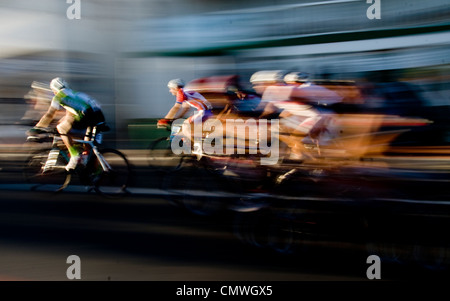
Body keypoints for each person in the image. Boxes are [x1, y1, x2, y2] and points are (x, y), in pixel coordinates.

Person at [27, 77, 106, 171]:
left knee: (61, 128)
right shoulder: (72, 94)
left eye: (53, 91)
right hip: (97, 115)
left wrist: (36, 128)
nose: (54, 93)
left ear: (55, 89)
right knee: (86, 146)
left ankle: (74, 156)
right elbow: (70, 115)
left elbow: (49, 115)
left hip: (89, 114)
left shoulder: (59, 96)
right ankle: (92, 169)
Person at [157, 78, 213, 154]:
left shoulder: (181, 92)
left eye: (170, 89)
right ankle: (194, 149)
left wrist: (166, 119)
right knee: (187, 128)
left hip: (204, 112)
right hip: (207, 112)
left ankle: (197, 147)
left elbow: (176, 107)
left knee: (186, 125)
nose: (170, 91)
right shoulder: (186, 92)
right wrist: (175, 119)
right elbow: (185, 108)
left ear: (175, 88)